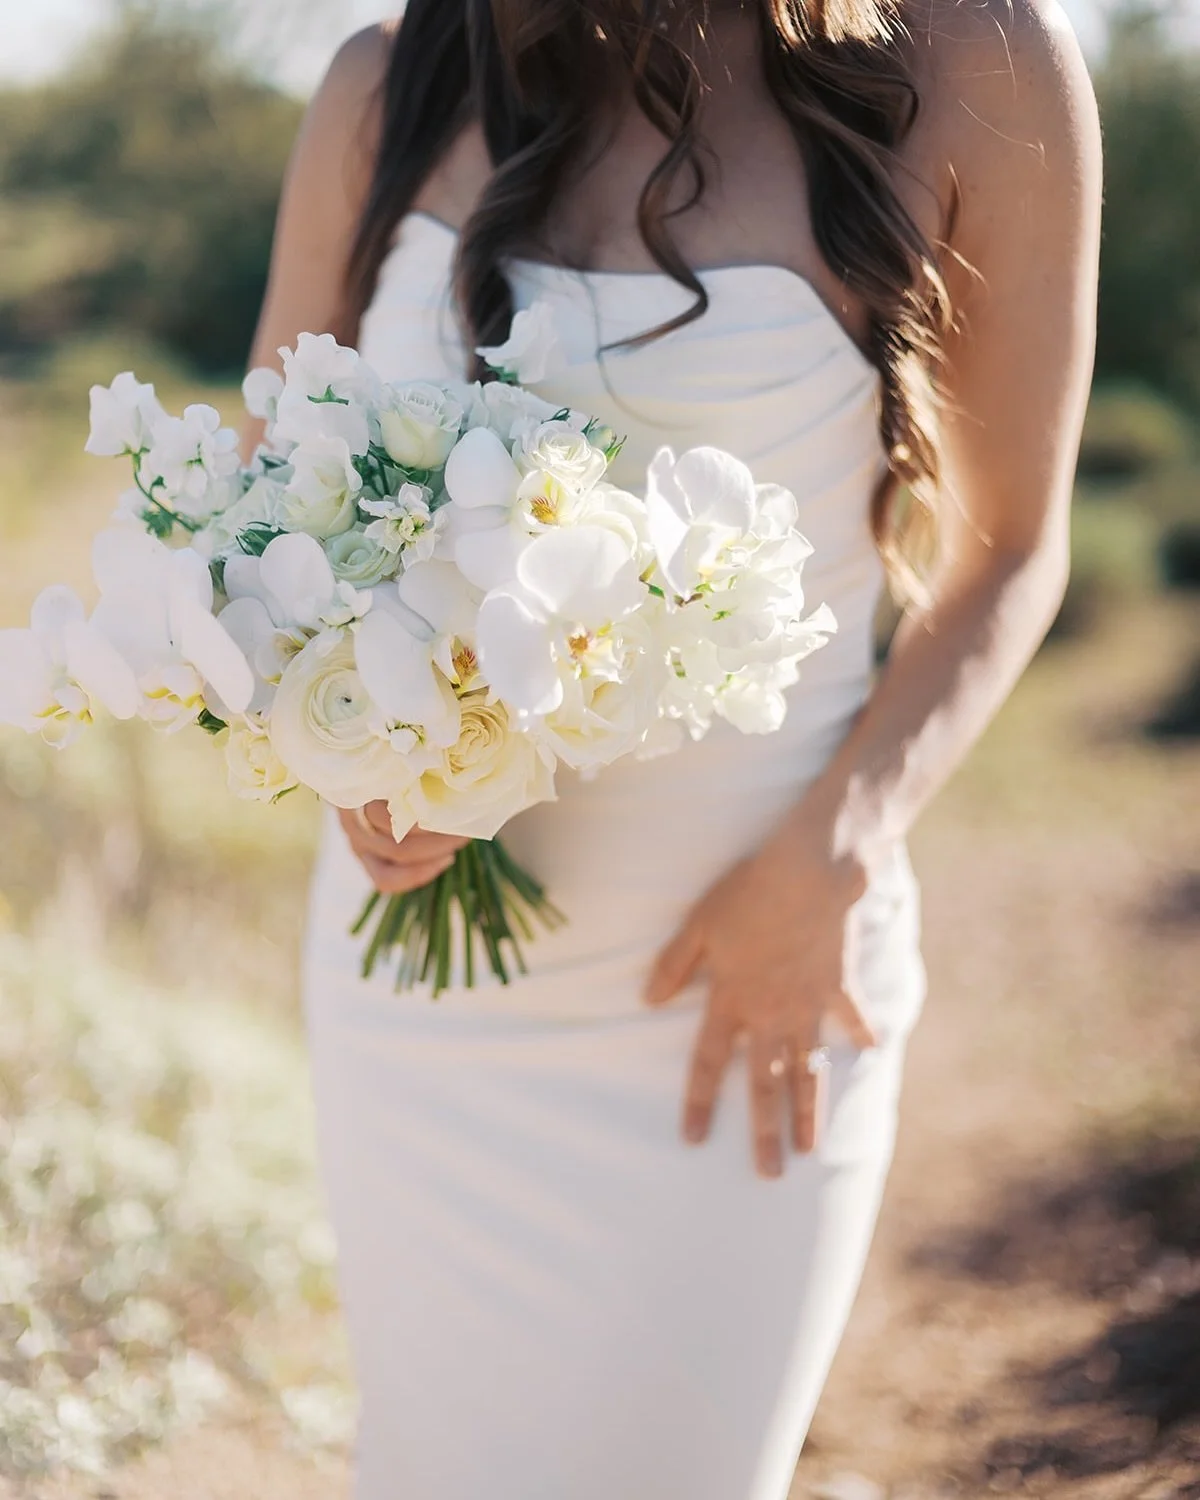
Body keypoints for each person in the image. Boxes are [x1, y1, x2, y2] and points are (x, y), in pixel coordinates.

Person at [245, 2, 1100, 1495]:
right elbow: (262, 508)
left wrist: (837, 847)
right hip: (420, 1013)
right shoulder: (382, 88)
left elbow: (1012, 549)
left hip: (747, 985)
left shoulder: (979, 58)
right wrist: (341, 751)